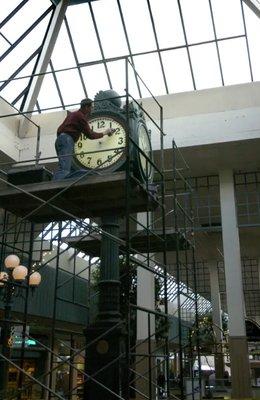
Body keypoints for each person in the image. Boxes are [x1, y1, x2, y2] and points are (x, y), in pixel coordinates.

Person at [53, 98, 114, 180]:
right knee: (64, 169)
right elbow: (90, 135)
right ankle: (58, 185)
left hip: (60, 139)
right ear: (86, 107)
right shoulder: (80, 117)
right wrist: (105, 133)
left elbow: (59, 129)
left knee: (67, 167)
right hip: (67, 140)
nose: (91, 110)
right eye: (91, 107)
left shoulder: (72, 114)